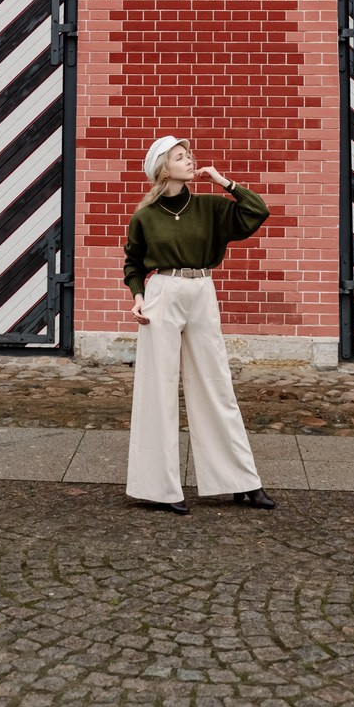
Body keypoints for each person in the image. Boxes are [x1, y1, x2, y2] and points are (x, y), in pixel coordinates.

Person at [123, 135, 276, 515]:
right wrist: (138, 296)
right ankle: (158, 488)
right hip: (162, 292)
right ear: (163, 168)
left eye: (188, 154)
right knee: (156, 389)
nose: (190, 160)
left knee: (215, 383)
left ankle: (241, 482)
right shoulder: (145, 216)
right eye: (180, 156)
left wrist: (223, 182)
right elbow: (133, 264)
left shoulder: (210, 207)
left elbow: (258, 211)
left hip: (202, 290)